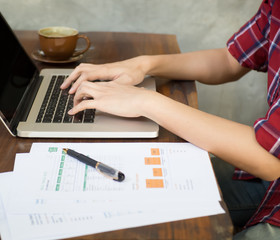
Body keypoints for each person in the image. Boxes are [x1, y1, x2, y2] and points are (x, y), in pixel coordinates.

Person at [61, 0, 280, 238]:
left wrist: (146, 102)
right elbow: (230, 61)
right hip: (268, 185)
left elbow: (271, 161)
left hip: (271, 177)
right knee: (138, 194)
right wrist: (142, 64)